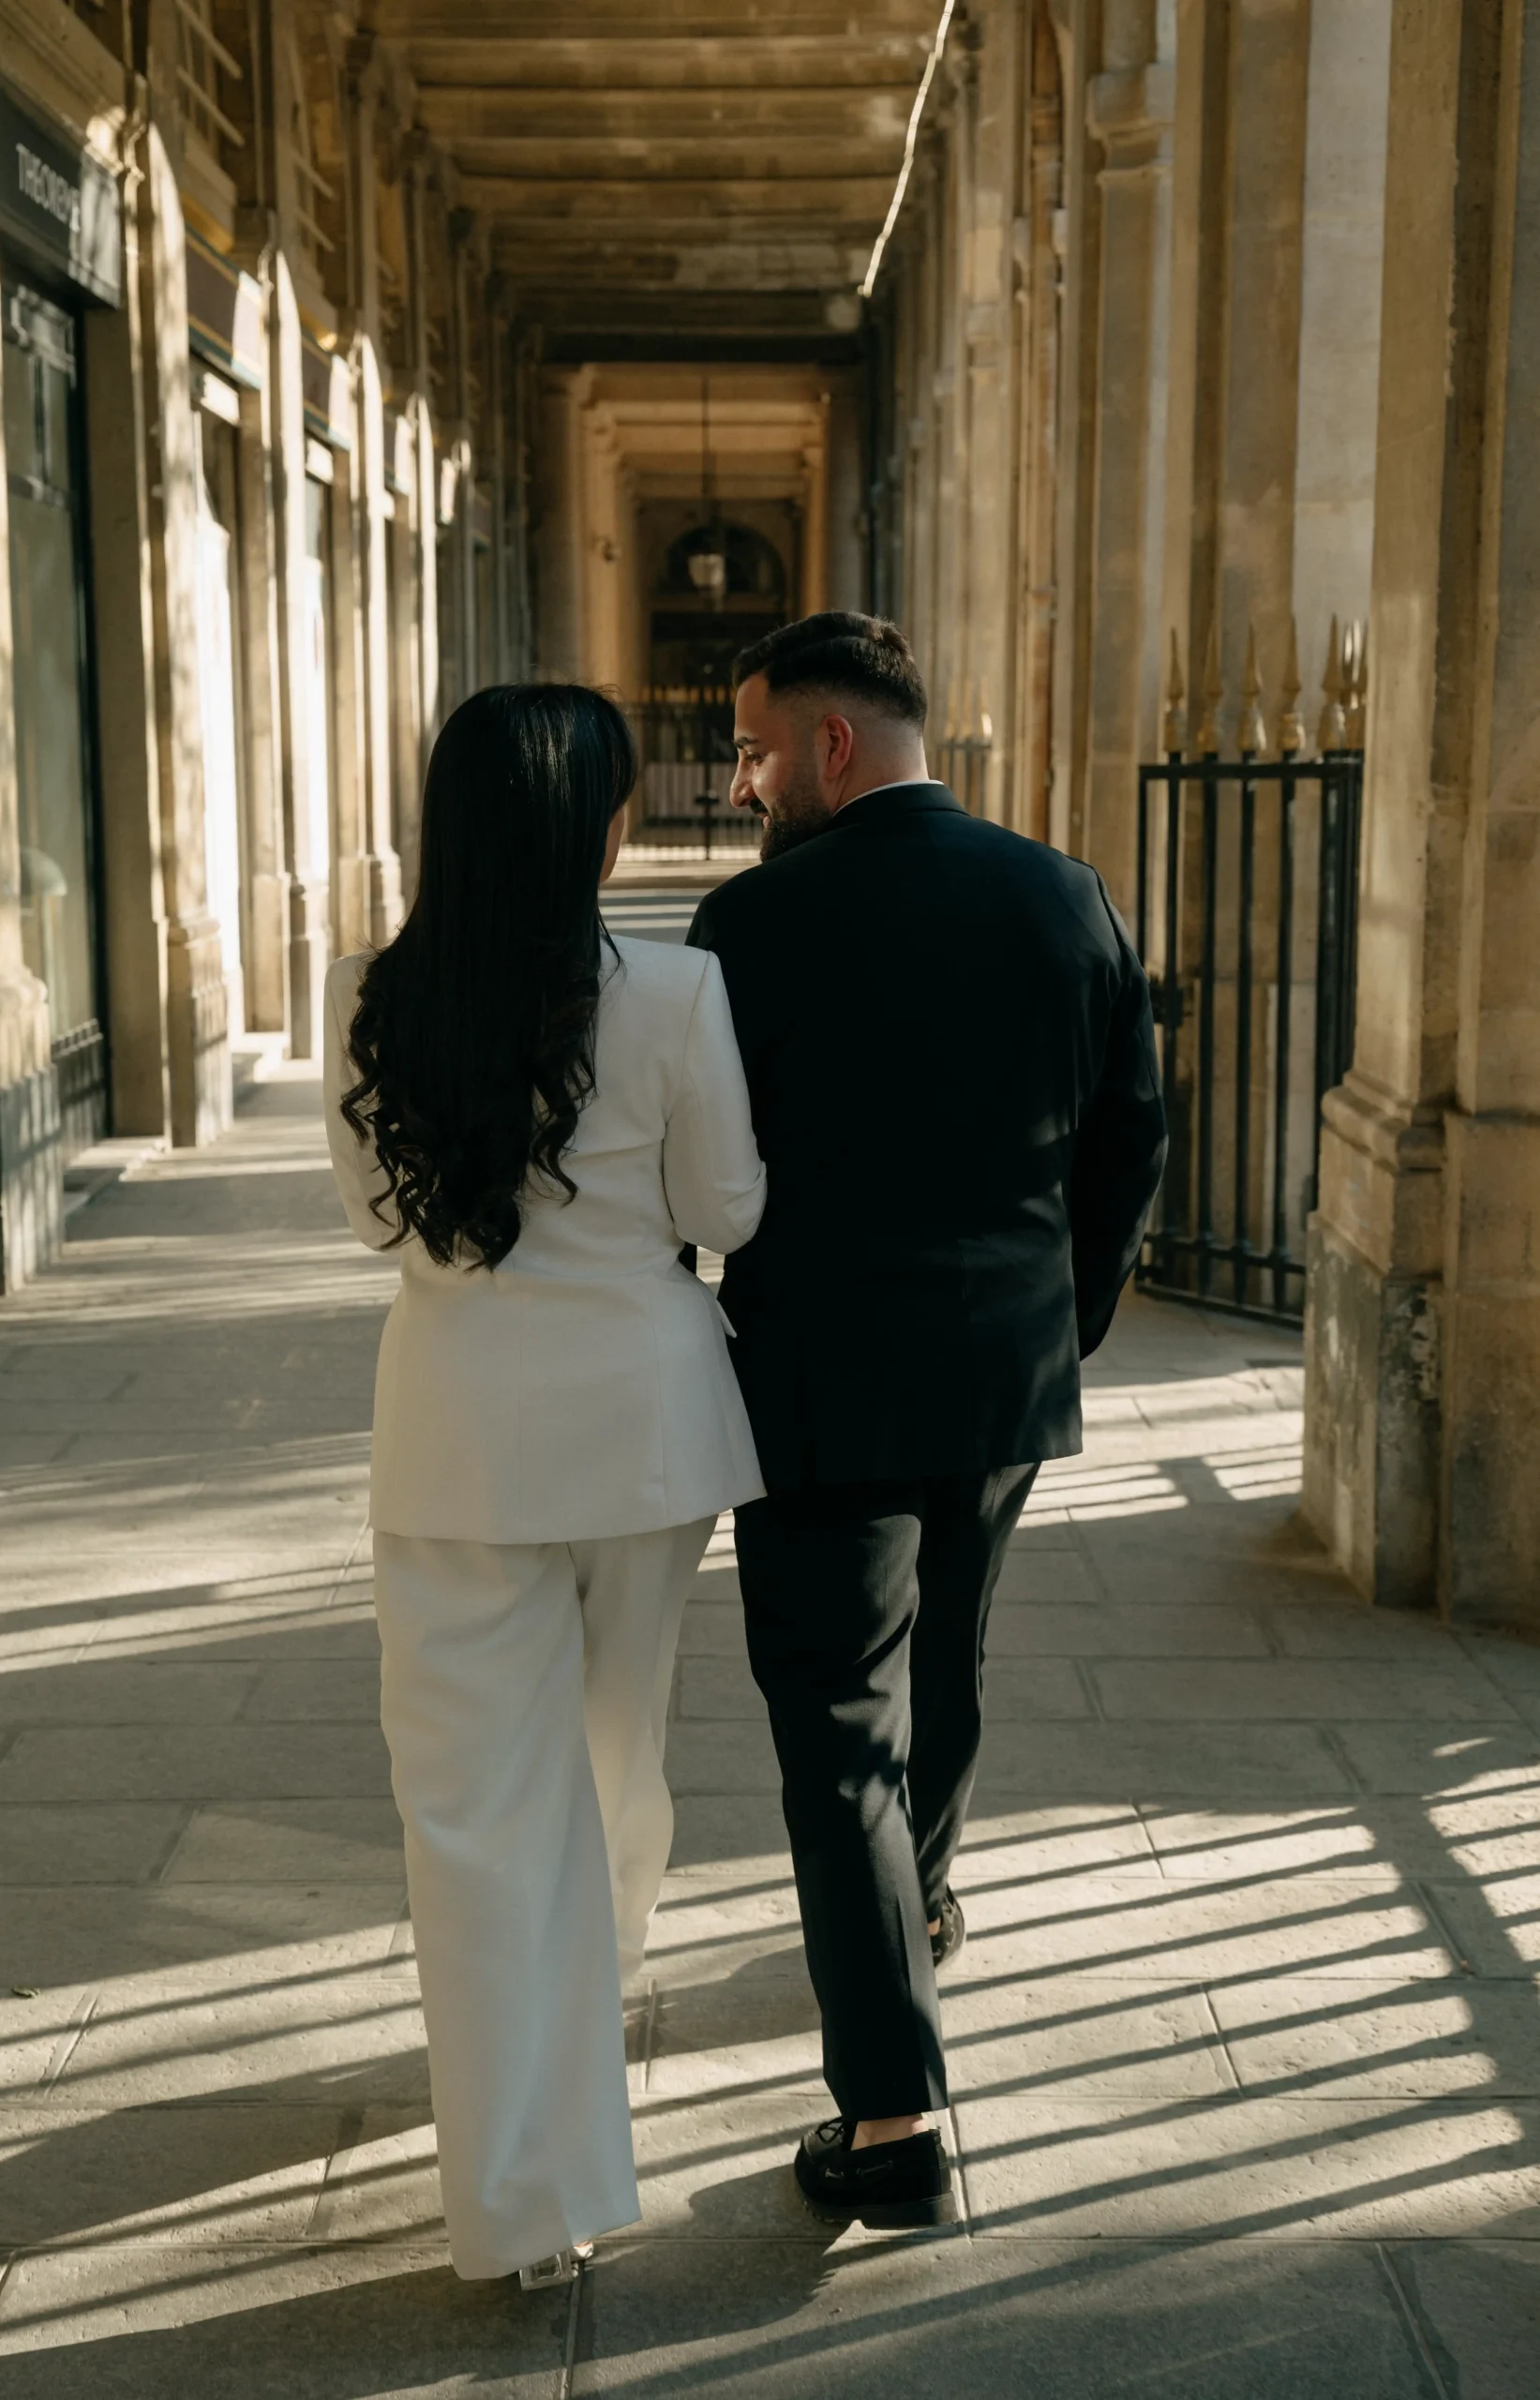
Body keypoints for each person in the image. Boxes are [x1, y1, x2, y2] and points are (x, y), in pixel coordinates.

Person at [687, 612, 1168, 2229]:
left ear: (832, 744)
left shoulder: (747, 928)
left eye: (755, 751)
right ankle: (924, 1900)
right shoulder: (1067, 895)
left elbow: (707, 1170)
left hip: (819, 1382)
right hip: (1001, 1376)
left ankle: (890, 2124)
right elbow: (1127, 1143)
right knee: (945, 1658)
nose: (745, 784)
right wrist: (1064, 1317)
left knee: (836, 1731)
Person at [323, 684, 766, 2284]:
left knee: (471, 1816)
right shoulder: (678, 988)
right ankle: (586, 2013)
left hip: (453, 1435)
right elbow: (730, 1205)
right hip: (644, 1429)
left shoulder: (368, 995)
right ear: (603, 825)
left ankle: (520, 2191)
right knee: (611, 1766)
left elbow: (387, 1229)